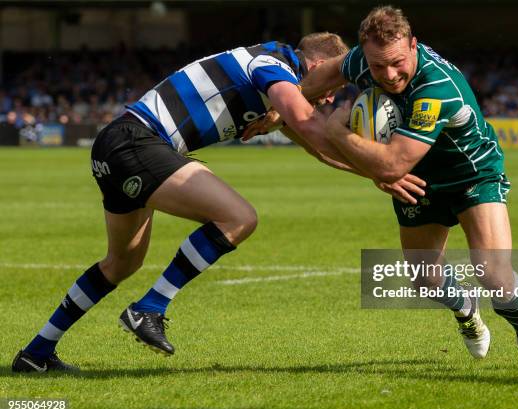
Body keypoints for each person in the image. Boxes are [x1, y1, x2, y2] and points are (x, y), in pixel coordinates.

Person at [12, 33, 425, 373]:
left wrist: (377, 175)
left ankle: (36, 353)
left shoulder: (273, 83)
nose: (329, 100)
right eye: (331, 89)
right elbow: (306, 122)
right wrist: (383, 166)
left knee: (122, 263)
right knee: (239, 217)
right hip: (137, 143)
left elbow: (318, 149)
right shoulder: (273, 64)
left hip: (120, 146)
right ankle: (149, 308)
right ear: (316, 68)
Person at [298, 7, 518, 372]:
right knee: (424, 279)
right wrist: (278, 111)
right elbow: (312, 83)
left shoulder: (435, 87)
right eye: (377, 67)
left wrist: (337, 131)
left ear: (413, 45)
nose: (389, 75)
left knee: (493, 273)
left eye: (396, 63)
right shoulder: (364, 58)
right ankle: (465, 308)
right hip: (420, 180)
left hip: (471, 173)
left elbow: (392, 165)